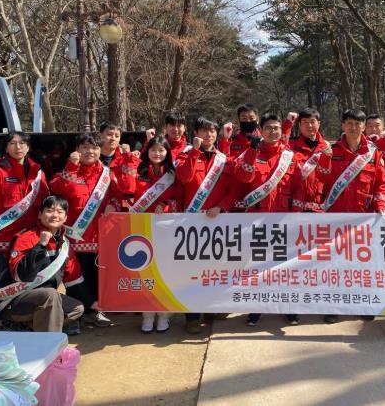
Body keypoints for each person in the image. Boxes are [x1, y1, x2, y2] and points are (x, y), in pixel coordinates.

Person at [50, 133, 137, 328]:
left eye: (94, 147)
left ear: (100, 150)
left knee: (98, 277)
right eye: (85, 147)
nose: (90, 151)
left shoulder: (107, 174)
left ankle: (96, 312)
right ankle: (76, 314)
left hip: (100, 237)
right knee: (75, 277)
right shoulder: (68, 170)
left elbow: (122, 195)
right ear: (77, 149)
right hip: (74, 237)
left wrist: (113, 204)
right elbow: (56, 190)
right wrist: (71, 167)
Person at [316, 109, 385, 323]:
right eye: (349, 123)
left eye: (358, 123)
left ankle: (364, 302)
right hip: (335, 216)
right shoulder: (332, 150)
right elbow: (321, 179)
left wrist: (380, 205)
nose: (353, 127)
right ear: (343, 126)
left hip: (363, 217)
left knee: (362, 263)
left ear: (364, 126)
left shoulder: (373, 153)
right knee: (335, 262)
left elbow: (381, 184)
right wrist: (325, 159)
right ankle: (334, 305)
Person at [234, 113, 303, 326]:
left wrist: (296, 216)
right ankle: (257, 307)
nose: (273, 131)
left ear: (281, 131)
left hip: (284, 221)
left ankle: (287, 307)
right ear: (261, 131)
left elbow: (300, 188)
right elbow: (243, 177)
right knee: (258, 267)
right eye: (268, 128)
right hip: (258, 221)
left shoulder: (291, 157)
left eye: (276, 128)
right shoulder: (251, 152)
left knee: (285, 267)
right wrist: (252, 152)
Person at [175, 117, 243, 333]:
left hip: (217, 221)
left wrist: (221, 207)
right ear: (196, 133)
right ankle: (192, 316)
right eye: (204, 131)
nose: (209, 135)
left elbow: (234, 190)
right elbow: (184, 177)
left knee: (216, 269)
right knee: (192, 272)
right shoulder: (185, 154)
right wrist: (194, 152)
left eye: (212, 131)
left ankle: (212, 308)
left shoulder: (224, 160)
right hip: (191, 222)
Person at [0, 195, 97, 334]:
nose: (55, 215)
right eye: (49, 210)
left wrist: (92, 303)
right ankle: (49, 341)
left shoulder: (64, 243)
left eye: (60, 212)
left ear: (65, 217)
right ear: (40, 214)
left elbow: (74, 280)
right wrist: (40, 246)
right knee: (51, 295)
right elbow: (21, 275)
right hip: (15, 301)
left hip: (46, 299)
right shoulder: (26, 238)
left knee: (76, 308)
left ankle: (26, 327)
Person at [0, 132, 49, 274]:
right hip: (5, 236)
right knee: (6, 278)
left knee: (30, 276)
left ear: (28, 147)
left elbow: (45, 201)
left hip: (31, 235)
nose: (18, 147)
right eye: (12, 143)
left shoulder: (37, 171)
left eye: (22, 143)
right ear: (6, 148)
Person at [129, 135, 181, 333]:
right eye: (153, 150)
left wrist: (166, 205)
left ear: (167, 152)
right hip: (142, 230)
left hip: (166, 229)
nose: (157, 154)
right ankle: (147, 314)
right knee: (145, 274)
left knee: (165, 273)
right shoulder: (138, 171)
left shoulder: (173, 173)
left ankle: (164, 314)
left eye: (161, 150)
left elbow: (179, 199)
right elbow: (128, 194)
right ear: (147, 151)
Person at [286, 108, 330, 213]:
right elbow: (277, 142)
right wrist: (287, 124)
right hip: (295, 208)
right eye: (305, 122)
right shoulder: (290, 145)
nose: (309, 125)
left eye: (312, 122)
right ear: (299, 125)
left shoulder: (328, 147)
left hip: (319, 208)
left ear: (318, 124)